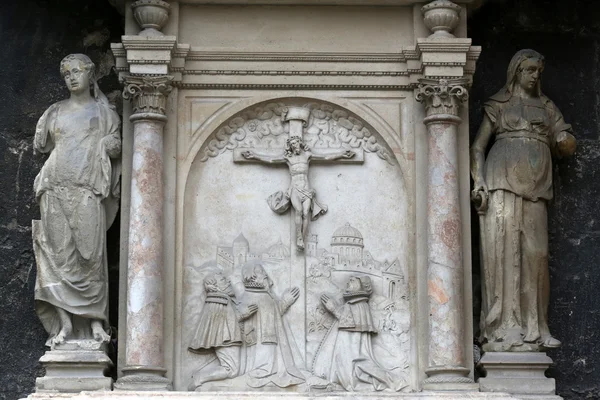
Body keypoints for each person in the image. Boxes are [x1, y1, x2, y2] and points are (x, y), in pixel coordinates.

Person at [470, 49, 576, 352]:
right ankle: (503, 330)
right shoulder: (498, 105)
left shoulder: (547, 107)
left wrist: (564, 141)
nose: (535, 76)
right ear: (516, 71)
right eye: (530, 70)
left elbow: (566, 141)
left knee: (537, 255)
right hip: (500, 180)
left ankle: (537, 328)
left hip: (537, 184)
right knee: (502, 252)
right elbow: (478, 146)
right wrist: (479, 181)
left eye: (538, 72)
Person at [33, 54, 121, 346]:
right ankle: (65, 325)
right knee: (58, 256)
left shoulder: (104, 113)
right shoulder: (54, 112)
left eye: (77, 71)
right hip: (55, 186)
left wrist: (111, 145)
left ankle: (96, 322)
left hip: (87, 187)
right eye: (66, 73)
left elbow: (117, 145)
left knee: (91, 255)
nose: (71, 77)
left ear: (91, 74)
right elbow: (43, 145)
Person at [241, 136, 354, 251]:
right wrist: (255, 156)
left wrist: (341, 154)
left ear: (300, 143)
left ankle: (302, 239)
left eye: (296, 143)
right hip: (295, 190)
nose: (295, 146)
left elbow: (325, 157)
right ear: (290, 147)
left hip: (307, 190)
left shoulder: (307, 156)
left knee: (306, 213)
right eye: (292, 144)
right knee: (298, 211)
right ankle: (298, 237)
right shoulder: (288, 158)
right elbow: (271, 160)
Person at [312, 276, 404, 391]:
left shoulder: (359, 304)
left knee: (355, 365)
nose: (348, 282)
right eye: (349, 279)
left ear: (362, 285)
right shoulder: (353, 303)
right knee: (346, 363)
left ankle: (393, 381)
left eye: (353, 280)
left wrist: (334, 308)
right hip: (346, 348)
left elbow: (351, 332)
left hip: (351, 351)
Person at [239, 262, 305, 388]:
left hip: (265, 344)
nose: (265, 275)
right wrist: (285, 301)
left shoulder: (262, 295)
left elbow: (273, 315)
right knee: (264, 368)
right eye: (261, 272)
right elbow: (272, 316)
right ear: (253, 277)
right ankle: (263, 372)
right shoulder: (253, 296)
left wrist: (285, 301)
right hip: (259, 346)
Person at [188, 272, 257, 389]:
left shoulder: (221, 298)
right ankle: (200, 378)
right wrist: (242, 315)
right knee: (231, 370)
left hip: (228, 337)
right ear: (216, 286)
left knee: (234, 369)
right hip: (226, 338)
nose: (229, 282)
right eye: (224, 280)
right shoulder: (219, 299)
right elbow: (224, 320)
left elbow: (225, 318)